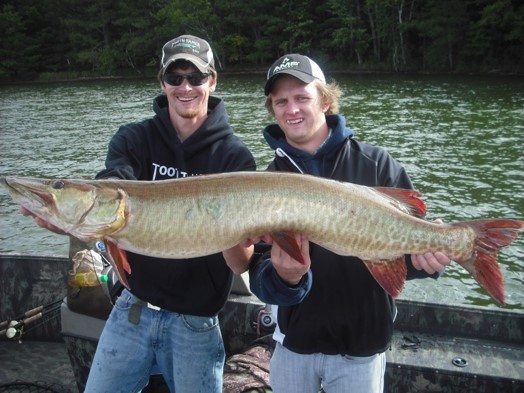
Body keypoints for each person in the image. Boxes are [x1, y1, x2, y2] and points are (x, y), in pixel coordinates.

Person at [24, 35, 256, 393]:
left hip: (196, 321)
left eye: (195, 77)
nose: (185, 86)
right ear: (162, 82)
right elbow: (114, 187)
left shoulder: (234, 158)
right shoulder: (133, 139)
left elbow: (241, 265)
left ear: (212, 80)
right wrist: (78, 222)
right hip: (131, 312)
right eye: (175, 77)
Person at [247, 54, 451, 393]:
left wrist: (426, 262)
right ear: (273, 110)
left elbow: (406, 253)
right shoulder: (266, 183)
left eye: (302, 97)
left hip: (362, 349)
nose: (292, 108)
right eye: (281, 101)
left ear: (325, 100)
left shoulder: (376, 164)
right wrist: (286, 277)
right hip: (294, 345)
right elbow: (260, 277)